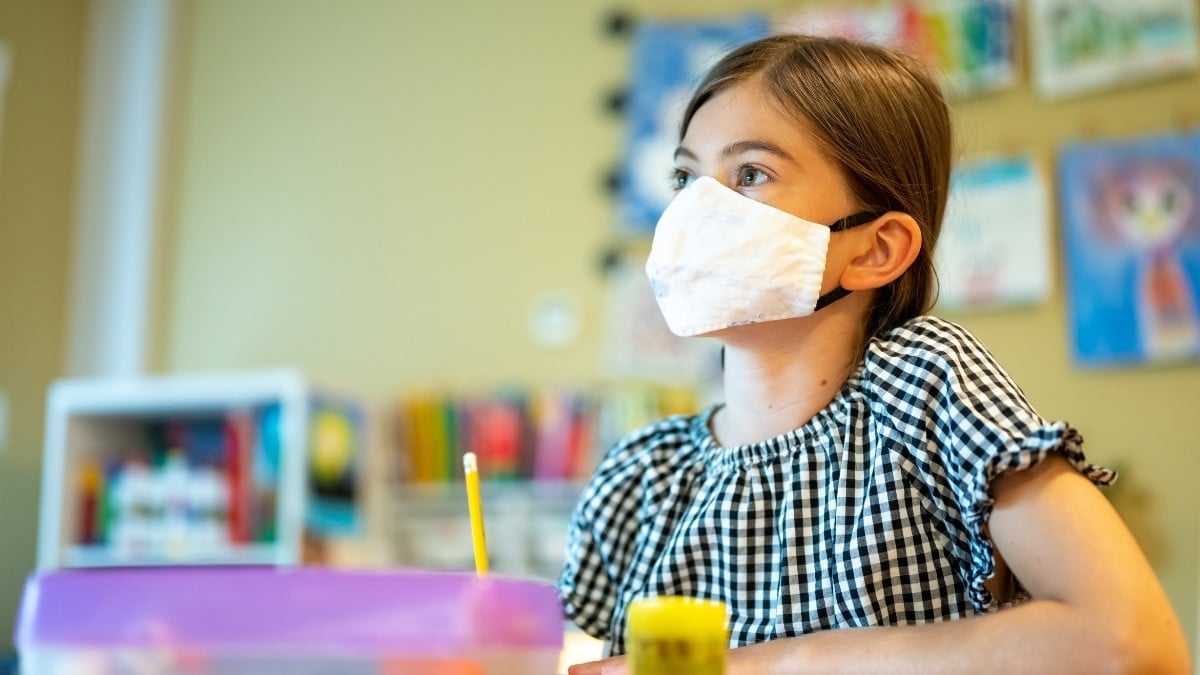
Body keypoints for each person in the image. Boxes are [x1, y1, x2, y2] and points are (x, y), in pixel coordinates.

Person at [558, 34, 1191, 674]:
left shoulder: (924, 388)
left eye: (750, 174)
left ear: (874, 249)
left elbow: (1131, 643)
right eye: (685, 177)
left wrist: (754, 665)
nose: (696, 210)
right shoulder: (641, 477)